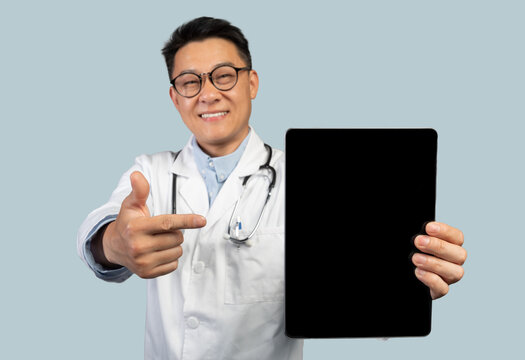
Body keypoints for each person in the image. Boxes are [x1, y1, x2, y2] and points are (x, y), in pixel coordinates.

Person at [77, 16, 467, 360]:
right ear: (175, 98)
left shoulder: (309, 178)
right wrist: (115, 244)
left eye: (224, 75)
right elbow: (101, 232)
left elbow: (352, 289)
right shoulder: (151, 173)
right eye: (190, 82)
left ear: (252, 83)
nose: (208, 93)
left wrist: (409, 284)